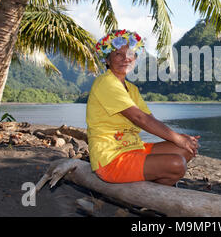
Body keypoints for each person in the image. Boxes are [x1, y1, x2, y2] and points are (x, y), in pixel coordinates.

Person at [86, 29, 200, 186]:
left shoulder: (131, 88)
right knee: (177, 164)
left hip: (134, 148)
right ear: (107, 60)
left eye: (130, 54)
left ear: (135, 58)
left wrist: (180, 137)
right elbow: (138, 118)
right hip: (110, 158)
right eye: (118, 54)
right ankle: (152, 197)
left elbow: (149, 118)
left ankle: (152, 192)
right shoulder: (106, 82)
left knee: (186, 149)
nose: (126, 58)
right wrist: (177, 138)